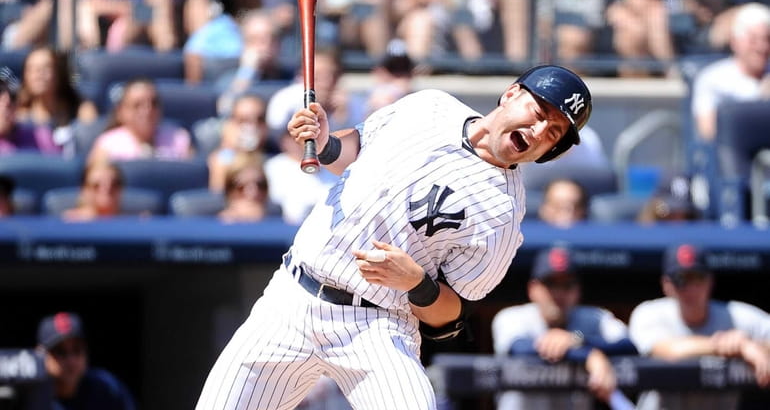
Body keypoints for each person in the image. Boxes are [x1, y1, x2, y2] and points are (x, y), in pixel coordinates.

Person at [195, 64, 593, 409]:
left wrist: (417, 283)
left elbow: (452, 317)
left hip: (376, 325)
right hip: (291, 300)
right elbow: (355, 149)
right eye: (539, 111)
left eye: (555, 131)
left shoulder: (504, 214)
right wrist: (323, 139)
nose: (541, 129)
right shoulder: (430, 106)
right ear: (510, 95)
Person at [491, 245, 637, 409]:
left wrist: (578, 341)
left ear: (578, 290)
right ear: (533, 288)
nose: (559, 293)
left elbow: (629, 345)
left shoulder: (595, 318)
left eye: (567, 285)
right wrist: (588, 354)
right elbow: (519, 348)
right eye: (550, 284)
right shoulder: (511, 317)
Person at [629, 243, 770, 410]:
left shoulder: (736, 315)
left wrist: (756, 346)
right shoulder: (649, 313)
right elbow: (670, 351)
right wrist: (735, 346)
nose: (690, 288)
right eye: (681, 279)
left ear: (710, 281)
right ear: (666, 284)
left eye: (697, 277)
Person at [691, 2, 770, 143]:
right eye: (753, 40)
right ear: (735, 42)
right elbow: (707, 133)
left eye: (767, 39)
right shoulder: (713, 79)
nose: (762, 47)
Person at [36, 311, 136, 410]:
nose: (71, 360)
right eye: (60, 352)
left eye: (77, 350)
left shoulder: (106, 387)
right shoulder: (31, 394)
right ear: (40, 353)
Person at [88, 78, 193, 164]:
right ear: (121, 112)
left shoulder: (179, 138)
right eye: (137, 105)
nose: (147, 110)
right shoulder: (107, 145)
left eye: (154, 104)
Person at [15, 46, 98, 155]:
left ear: (59, 74)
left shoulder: (82, 112)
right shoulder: (19, 117)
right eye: (32, 69)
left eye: (46, 68)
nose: (38, 75)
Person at [214, 9, 295, 116]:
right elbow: (224, 111)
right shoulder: (229, 81)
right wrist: (247, 72)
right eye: (255, 40)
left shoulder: (292, 78)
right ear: (244, 44)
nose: (265, 46)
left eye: (271, 38)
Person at [207, 94, 269, 192]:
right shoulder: (222, 161)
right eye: (243, 120)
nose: (252, 127)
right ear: (228, 125)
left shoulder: (277, 162)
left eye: (259, 120)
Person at [61, 160, 126, 222]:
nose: (106, 189)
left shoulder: (131, 223)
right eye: (97, 185)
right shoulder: (69, 223)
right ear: (84, 191)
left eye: (114, 184)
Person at [218, 153, 273, 223]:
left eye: (260, 185)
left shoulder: (281, 224)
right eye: (241, 187)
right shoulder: (216, 229)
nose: (253, 193)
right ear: (229, 190)